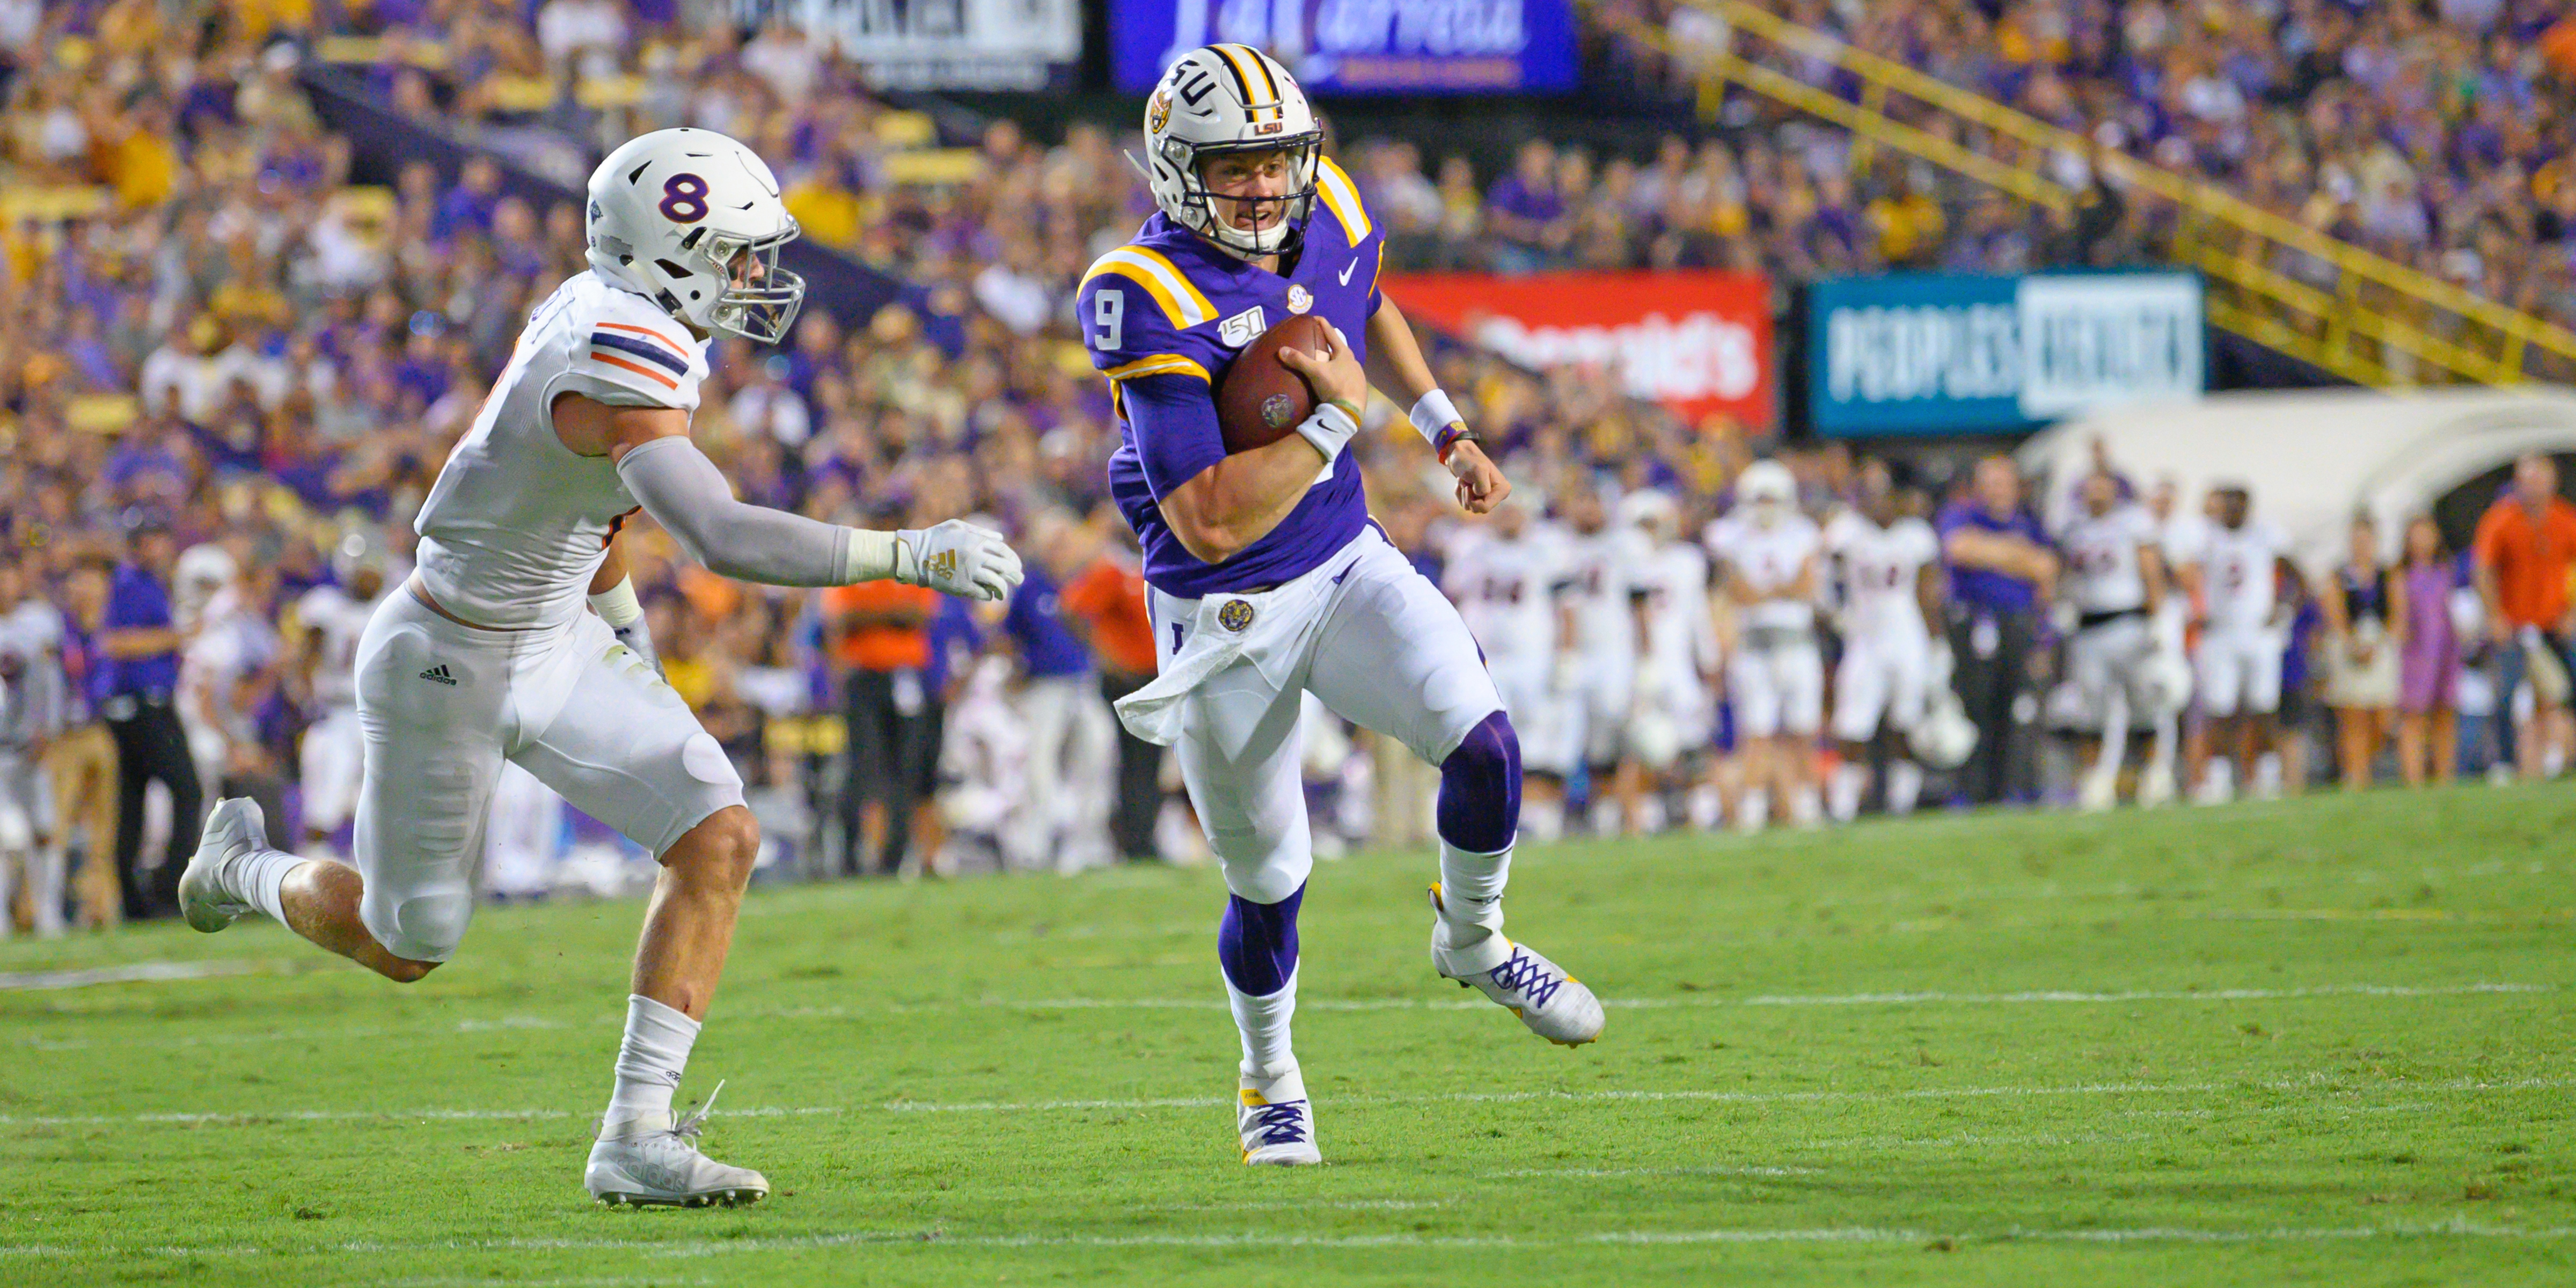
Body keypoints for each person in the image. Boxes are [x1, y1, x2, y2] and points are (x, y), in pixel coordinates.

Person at [173, 128, 1023, 1209]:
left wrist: (622, 626)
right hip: (448, 655)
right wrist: (906, 553)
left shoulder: (616, 312)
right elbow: (718, 534)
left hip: (554, 637)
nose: (757, 278)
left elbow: (596, 507)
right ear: (672, 254)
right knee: (407, 944)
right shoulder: (621, 350)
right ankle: (241, 870)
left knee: (719, 833)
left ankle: (638, 1134)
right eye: (737, 252)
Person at [1078, 45, 1601, 1167]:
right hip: (1224, 616)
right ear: (1177, 168)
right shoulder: (1140, 289)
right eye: (1236, 166)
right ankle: (1268, 1076)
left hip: (1344, 559)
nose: (1267, 187)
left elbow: (1365, 306)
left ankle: (1474, 939)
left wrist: (1441, 426)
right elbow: (1212, 517)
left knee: (1487, 746)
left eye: (1278, 160)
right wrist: (1333, 423)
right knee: (1270, 885)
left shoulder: (1333, 204)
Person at [1821, 461, 1942, 822]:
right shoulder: (1848, 531)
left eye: (1880, 491)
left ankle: (1901, 805)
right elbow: (1824, 573)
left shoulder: (1916, 535)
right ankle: (1843, 807)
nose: (1873, 499)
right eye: (1867, 490)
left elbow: (1927, 594)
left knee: (1905, 726)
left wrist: (1938, 644)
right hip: (1865, 639)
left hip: (1908, 639)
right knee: (1852, 725)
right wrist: (1833, 610)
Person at [1707, 460, 1823, 830]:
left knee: (1803, 729)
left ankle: (1808, 807)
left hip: (1797, 644)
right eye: (1761, 498)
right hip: (1753, 646)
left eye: (1773, 498)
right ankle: (1752, 811)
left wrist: (1767, 592)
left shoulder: (1803, 532)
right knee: (1756, 732)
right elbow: (1739, 592)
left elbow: (1807, 587)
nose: (1767, 506)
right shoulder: (1730, 535)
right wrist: (1780, 590)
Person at [1000, 509, 1115, 873]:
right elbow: (1006, 636)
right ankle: (1035, 845)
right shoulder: (1031, 586)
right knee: (1040, 765)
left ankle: (1087, 843)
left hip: (1084, 684)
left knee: (1096, 759)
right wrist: (1017, 668)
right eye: (1054, 543)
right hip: (1045, 687)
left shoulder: (1089, 582)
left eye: (1065, 542)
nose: (1060, 550)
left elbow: (1106, 632)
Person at [1936, 457, 2057, 804]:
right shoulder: (1962, 515)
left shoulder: (2029, 521)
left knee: (2017, 707)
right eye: (1990, 483)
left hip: (2019, 624)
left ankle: (2010, 788)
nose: (1997, 490)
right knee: (1974, 706)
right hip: (1974, 623)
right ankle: (1969, 790)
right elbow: (1960, 550)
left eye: (2003, 482)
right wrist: (2018, 557)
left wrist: (1990, 552)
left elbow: (2047, 567)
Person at [100, 513, 201, 919]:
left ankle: (135, 901)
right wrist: (175, 638)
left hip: (148, 702)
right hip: (141, 705)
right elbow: (113, 643)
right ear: (137, 543)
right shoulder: (126, 584)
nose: (159, 546)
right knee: (186, 789)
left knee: (134, 803)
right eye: (151, 538)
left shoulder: (146, 582)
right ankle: (167, 888)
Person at [2056, 468, 2172, 810]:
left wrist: (2158, 620)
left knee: (2143, 704)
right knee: (2090, 710)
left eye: (2102, 487)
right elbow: (2064, 572)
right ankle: (2094, 781)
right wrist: (2062, 603)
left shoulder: (2133, 522)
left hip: (2130, 622)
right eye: (2091, 486)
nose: (2096, 494)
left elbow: (2151, 570)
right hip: (2088, 627)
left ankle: (2151, 774)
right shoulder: (2073, 528)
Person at [2184, 484, 2301, 803]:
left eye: (2238, 504)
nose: (2233, 511)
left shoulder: (2266, 534)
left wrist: (2284, 607)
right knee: (2219, 709)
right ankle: (2218, 778)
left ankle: (2266, 775)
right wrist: (2196, 610)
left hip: (2258, 632)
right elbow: (2187, 573)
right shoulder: (2206, 537)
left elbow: (2296, 574)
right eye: (2228, 504)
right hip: (2221, 632)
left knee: (2263, 707)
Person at [821, 562, 939, 877]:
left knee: (905, 769)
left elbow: (920, 617)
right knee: (861, 765)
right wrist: (893, 615)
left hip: (905, 678)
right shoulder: (852, 569)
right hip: (862, 678)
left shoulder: (914, 569)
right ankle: (849, 859)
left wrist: (870, 615)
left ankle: (892, 862)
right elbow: (841, 620)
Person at [1060, 524, 1165, 863]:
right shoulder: (1113, 569)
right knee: (1134, 759)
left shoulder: (1148, 567)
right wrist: (1106, 656)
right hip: (1127, 678)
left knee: (1149, 761)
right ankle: (1134, 838)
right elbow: (1072, 609)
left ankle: (1142, 834)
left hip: (1154, 676)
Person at [2470, 452, 2576, 780]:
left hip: (2551, 623)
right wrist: (2495, 616)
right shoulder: (2501, 519)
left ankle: (2558, 758)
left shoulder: (2564, 518)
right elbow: (2483, 570)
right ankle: (2503, 762)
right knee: (2507, 695)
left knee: (2563, 690)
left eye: (2540, 479)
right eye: (2528, 479)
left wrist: (2571, 612)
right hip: (2514, 625)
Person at [291, 536, 392, 858]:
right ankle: (313, 866)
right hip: (335, 713)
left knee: (376, 802)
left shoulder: (391, 606)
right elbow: (306, 660)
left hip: (377, 715)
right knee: (325, 801)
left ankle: (365, 868)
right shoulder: (326, 604)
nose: (370, 578)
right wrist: (307, 703)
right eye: (364, 570)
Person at [0, 554, 68, 936]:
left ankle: (49, 914)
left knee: (43, 829)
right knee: (6, 839)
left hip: (30, 744)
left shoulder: (37, 623)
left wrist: (49, 729)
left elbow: (51, 682)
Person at [2318, 515, 2399, 790]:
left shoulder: (2387, 575)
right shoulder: (2339, 575)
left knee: (2382, 717)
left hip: (2380, 645)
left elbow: (2398, 615)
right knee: (2353, 715)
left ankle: (2365, 762)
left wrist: (2379, 644)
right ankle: (2355, 773)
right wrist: (2351, 644)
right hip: (2350, 645)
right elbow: (2334, 613)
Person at [2395, 515, 2462, 786]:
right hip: (2417, 652)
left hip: (2446, 649)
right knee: (2414, 715)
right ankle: (2414, 779)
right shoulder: (2402, 575)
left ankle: (2445, 776)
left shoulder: (2446, 570)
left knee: (2445, 713)